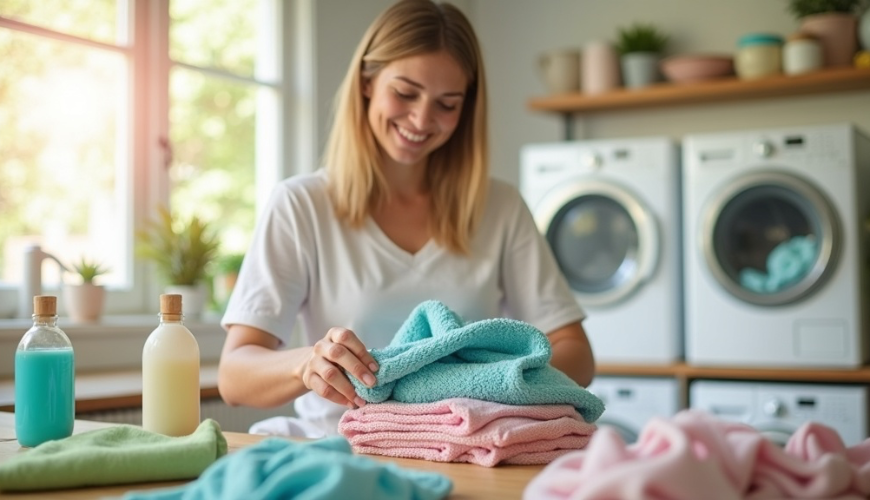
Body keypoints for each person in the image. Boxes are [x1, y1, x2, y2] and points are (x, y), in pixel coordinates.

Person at [218, 0, 595, 436]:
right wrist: (309, 362)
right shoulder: (301, 205)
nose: (421, 119)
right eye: (405, 92)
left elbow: (577, 354)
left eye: (447, 104)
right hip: (342, 449)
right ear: (366, 82)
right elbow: (234, 376)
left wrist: (484, 376)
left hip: (470, 448)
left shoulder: (500, 207)